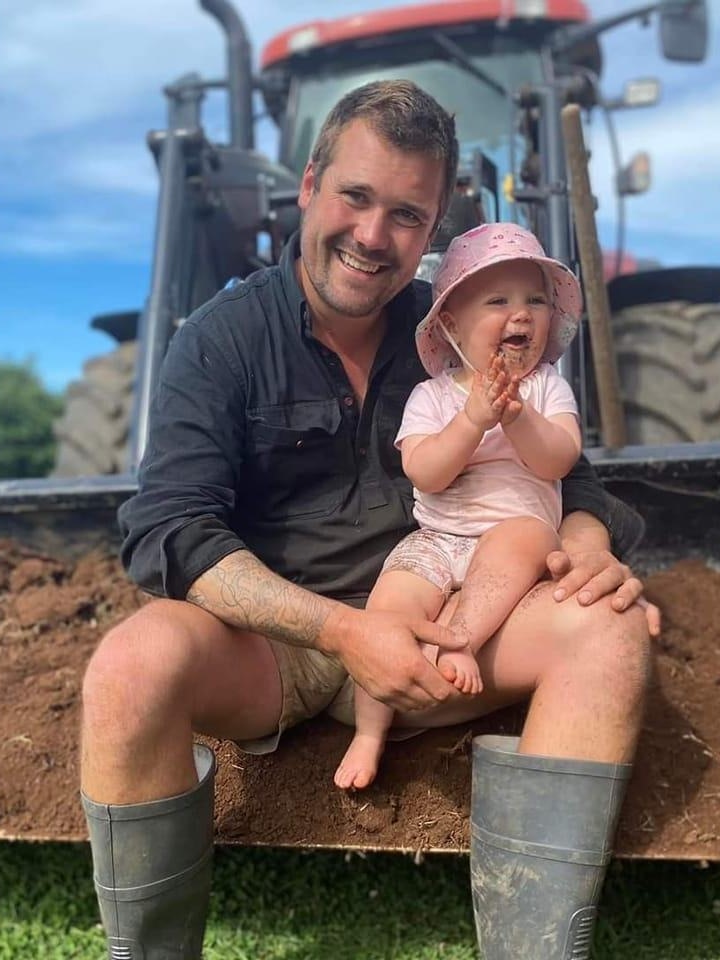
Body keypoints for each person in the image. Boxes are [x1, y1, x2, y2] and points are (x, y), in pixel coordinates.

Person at [79, 79, 657, 960]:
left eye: (407, 215)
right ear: (309, 185)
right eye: (355, 196)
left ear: (434, 234)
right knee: (129, 666)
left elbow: (556, 472)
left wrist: (585, 544)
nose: (373, 236)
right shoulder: (220, 340)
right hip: (280, 647)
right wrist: (343, 632)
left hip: (449, 624)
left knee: (609, 633)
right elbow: (170, 531)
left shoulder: (456, 332)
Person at [334, 222, 584, 791]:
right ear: (450, 324)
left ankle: (462, 640)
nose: (521, 314)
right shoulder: (434, 395)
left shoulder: (547, 388)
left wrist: (517, 418)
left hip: (512, 535)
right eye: (498, 301)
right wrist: (473, 420)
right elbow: (424, 470)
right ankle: (370, 732)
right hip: (437, 537)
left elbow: (559, 460)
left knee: (522, 537)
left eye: (536, 301)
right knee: (388, 611)